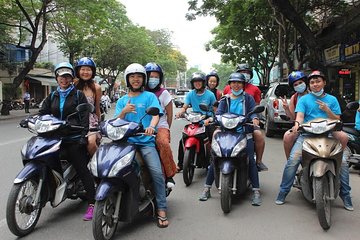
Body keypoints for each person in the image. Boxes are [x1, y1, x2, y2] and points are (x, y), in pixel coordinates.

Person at [275, 70, 353, 211]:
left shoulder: (332, 100)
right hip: (307, 135)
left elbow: (337, 119)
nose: (315, 84)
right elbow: (299, 116)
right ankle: (283, 191)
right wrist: (297, 126)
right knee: (293, 160)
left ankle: (345, 194)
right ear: (309, 85)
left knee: (343, 163)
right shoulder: (303, 100)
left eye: (318, 81)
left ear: (324, 82)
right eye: (312, 82)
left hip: (329, 134)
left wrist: (327, 110)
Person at [114, 63, 169, 228]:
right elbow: (116, 122)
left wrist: (152, 126)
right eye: (132, 77)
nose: (136, 79)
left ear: (143, 79)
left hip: (145, 142)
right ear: (128, 79)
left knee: (157, 173)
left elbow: (156, 115)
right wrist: (124, 111)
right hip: (126, 143)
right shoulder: (123, 100)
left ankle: (162, 208)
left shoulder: (150, 97)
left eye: (139, 76)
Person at [39, 62, 96, 220]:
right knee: (46, 161)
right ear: (56, 78)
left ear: (72, 78)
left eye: (67, 77)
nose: (64, 80)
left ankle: (92, 203)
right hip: (55, 138)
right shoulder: (52, 96)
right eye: (61, 76)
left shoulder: (78, 95)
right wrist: (33, 119)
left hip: (73, 138)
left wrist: (83, 135)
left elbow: (85, 117)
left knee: (82, 169)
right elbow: (43, 112)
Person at [198, 72, 262, 206]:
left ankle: (256, 191)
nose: (236, 85)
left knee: (250, 159)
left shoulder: (248, 98)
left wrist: (255, 118)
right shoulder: (224, 99)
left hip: (244, 132)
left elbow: (253, 112)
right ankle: (207, 188)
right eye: (233, 82)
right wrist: (212, 119)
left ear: (243, 85)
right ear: (230, 84)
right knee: (215, 157)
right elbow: (219, 114)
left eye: (239, 83)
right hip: (226, 132)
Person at [223, 63, 267, 171]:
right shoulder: (227, 89)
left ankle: (258, 161)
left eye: (247, 72)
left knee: (258, 135)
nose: (244, 74)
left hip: (247, 122)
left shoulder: (255, 90)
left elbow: (255, 107)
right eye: (242, 72)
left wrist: (255, 118)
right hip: (229, 123)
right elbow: (222, 106)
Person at [175, 72, 216, 172]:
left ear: (203, 83)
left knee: (213, 139)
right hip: (195, 119)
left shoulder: (210, 95)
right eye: (195, 82)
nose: (197, 84)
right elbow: (185, 106)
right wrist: (180, 112)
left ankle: (213, 162)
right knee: (183, 140)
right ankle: (180, 164)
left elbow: (216, 110)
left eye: (199, 82)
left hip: (207, 120)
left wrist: (210, 119)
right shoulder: (190, 94)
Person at [144, 62, 176, 188]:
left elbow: (169, 114)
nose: (153, 79)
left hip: (160, 126)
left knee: (163, 143)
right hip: (142, 126)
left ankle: (169, 175)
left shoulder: (164, 93)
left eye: (156, 77)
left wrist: (165, 129)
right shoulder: (140, 92)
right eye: (151, 76)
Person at [74, 57, 102, 157]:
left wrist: (99, 124)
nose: (85, 72)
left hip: (91, 122)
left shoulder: (97, 88)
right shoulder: (73, 85)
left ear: (92, 71)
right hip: (75, 120)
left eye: (88, 69)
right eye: (83, 69)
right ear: (78, 71)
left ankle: (97, 165)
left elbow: (97, 107)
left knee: (91, 143)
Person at [280, 70, 309, 159]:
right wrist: (286, 108)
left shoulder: (314, 94)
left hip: (318, 126)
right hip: (301, 128)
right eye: (295, 85)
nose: (298, 86)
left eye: (300, 83)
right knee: (287, 136)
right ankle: (290, 161)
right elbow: (292, 117)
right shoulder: (295, 98)